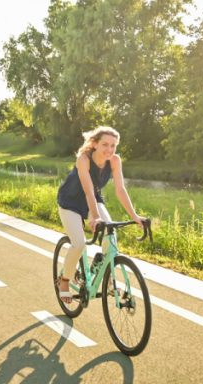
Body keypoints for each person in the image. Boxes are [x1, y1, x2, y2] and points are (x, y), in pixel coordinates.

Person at [56, 126, 145, 302]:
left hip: (93, 200)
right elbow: (88, 190)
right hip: (71, 201)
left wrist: (134, 216)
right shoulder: (84, 159)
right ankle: (64, 280)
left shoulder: (114, 161)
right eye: (105, 144)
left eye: (113, 145)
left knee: (110, 236)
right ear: (95, 144)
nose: (109, 150)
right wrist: (95, 217)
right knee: (79, 243)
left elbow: (120, 189)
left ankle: (109, 280)